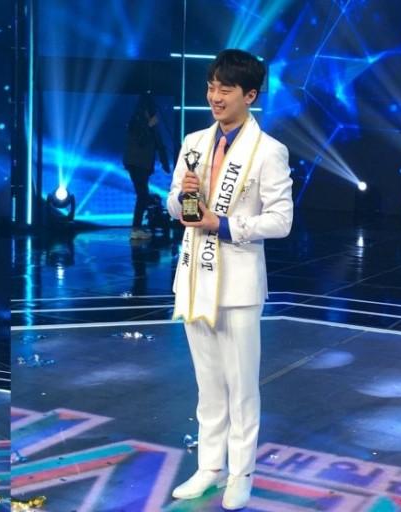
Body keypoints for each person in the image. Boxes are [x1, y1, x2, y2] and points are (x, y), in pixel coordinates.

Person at [166, 49, 293, 510]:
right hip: (194, 279)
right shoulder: (194, 141)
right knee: (208, 384)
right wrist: (182, 200)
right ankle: (209, 467)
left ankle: (241, 473)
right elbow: (173, 203)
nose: (214, 97)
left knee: (241, 386)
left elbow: (281, 220)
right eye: (211, 87)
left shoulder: (268, 150)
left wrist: (222, 224)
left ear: (250, 95)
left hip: (238, 286)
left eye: (225, 89)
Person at [124, 92, 170, 240]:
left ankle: (137, 228)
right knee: (142, 195)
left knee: (143, 195)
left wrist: (164, 163)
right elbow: (140, 138)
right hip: (136, 163)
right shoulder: (137, 120)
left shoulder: (151, 122)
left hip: (143, 164)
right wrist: (149, 125)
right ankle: (136, 229)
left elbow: (159, 143)